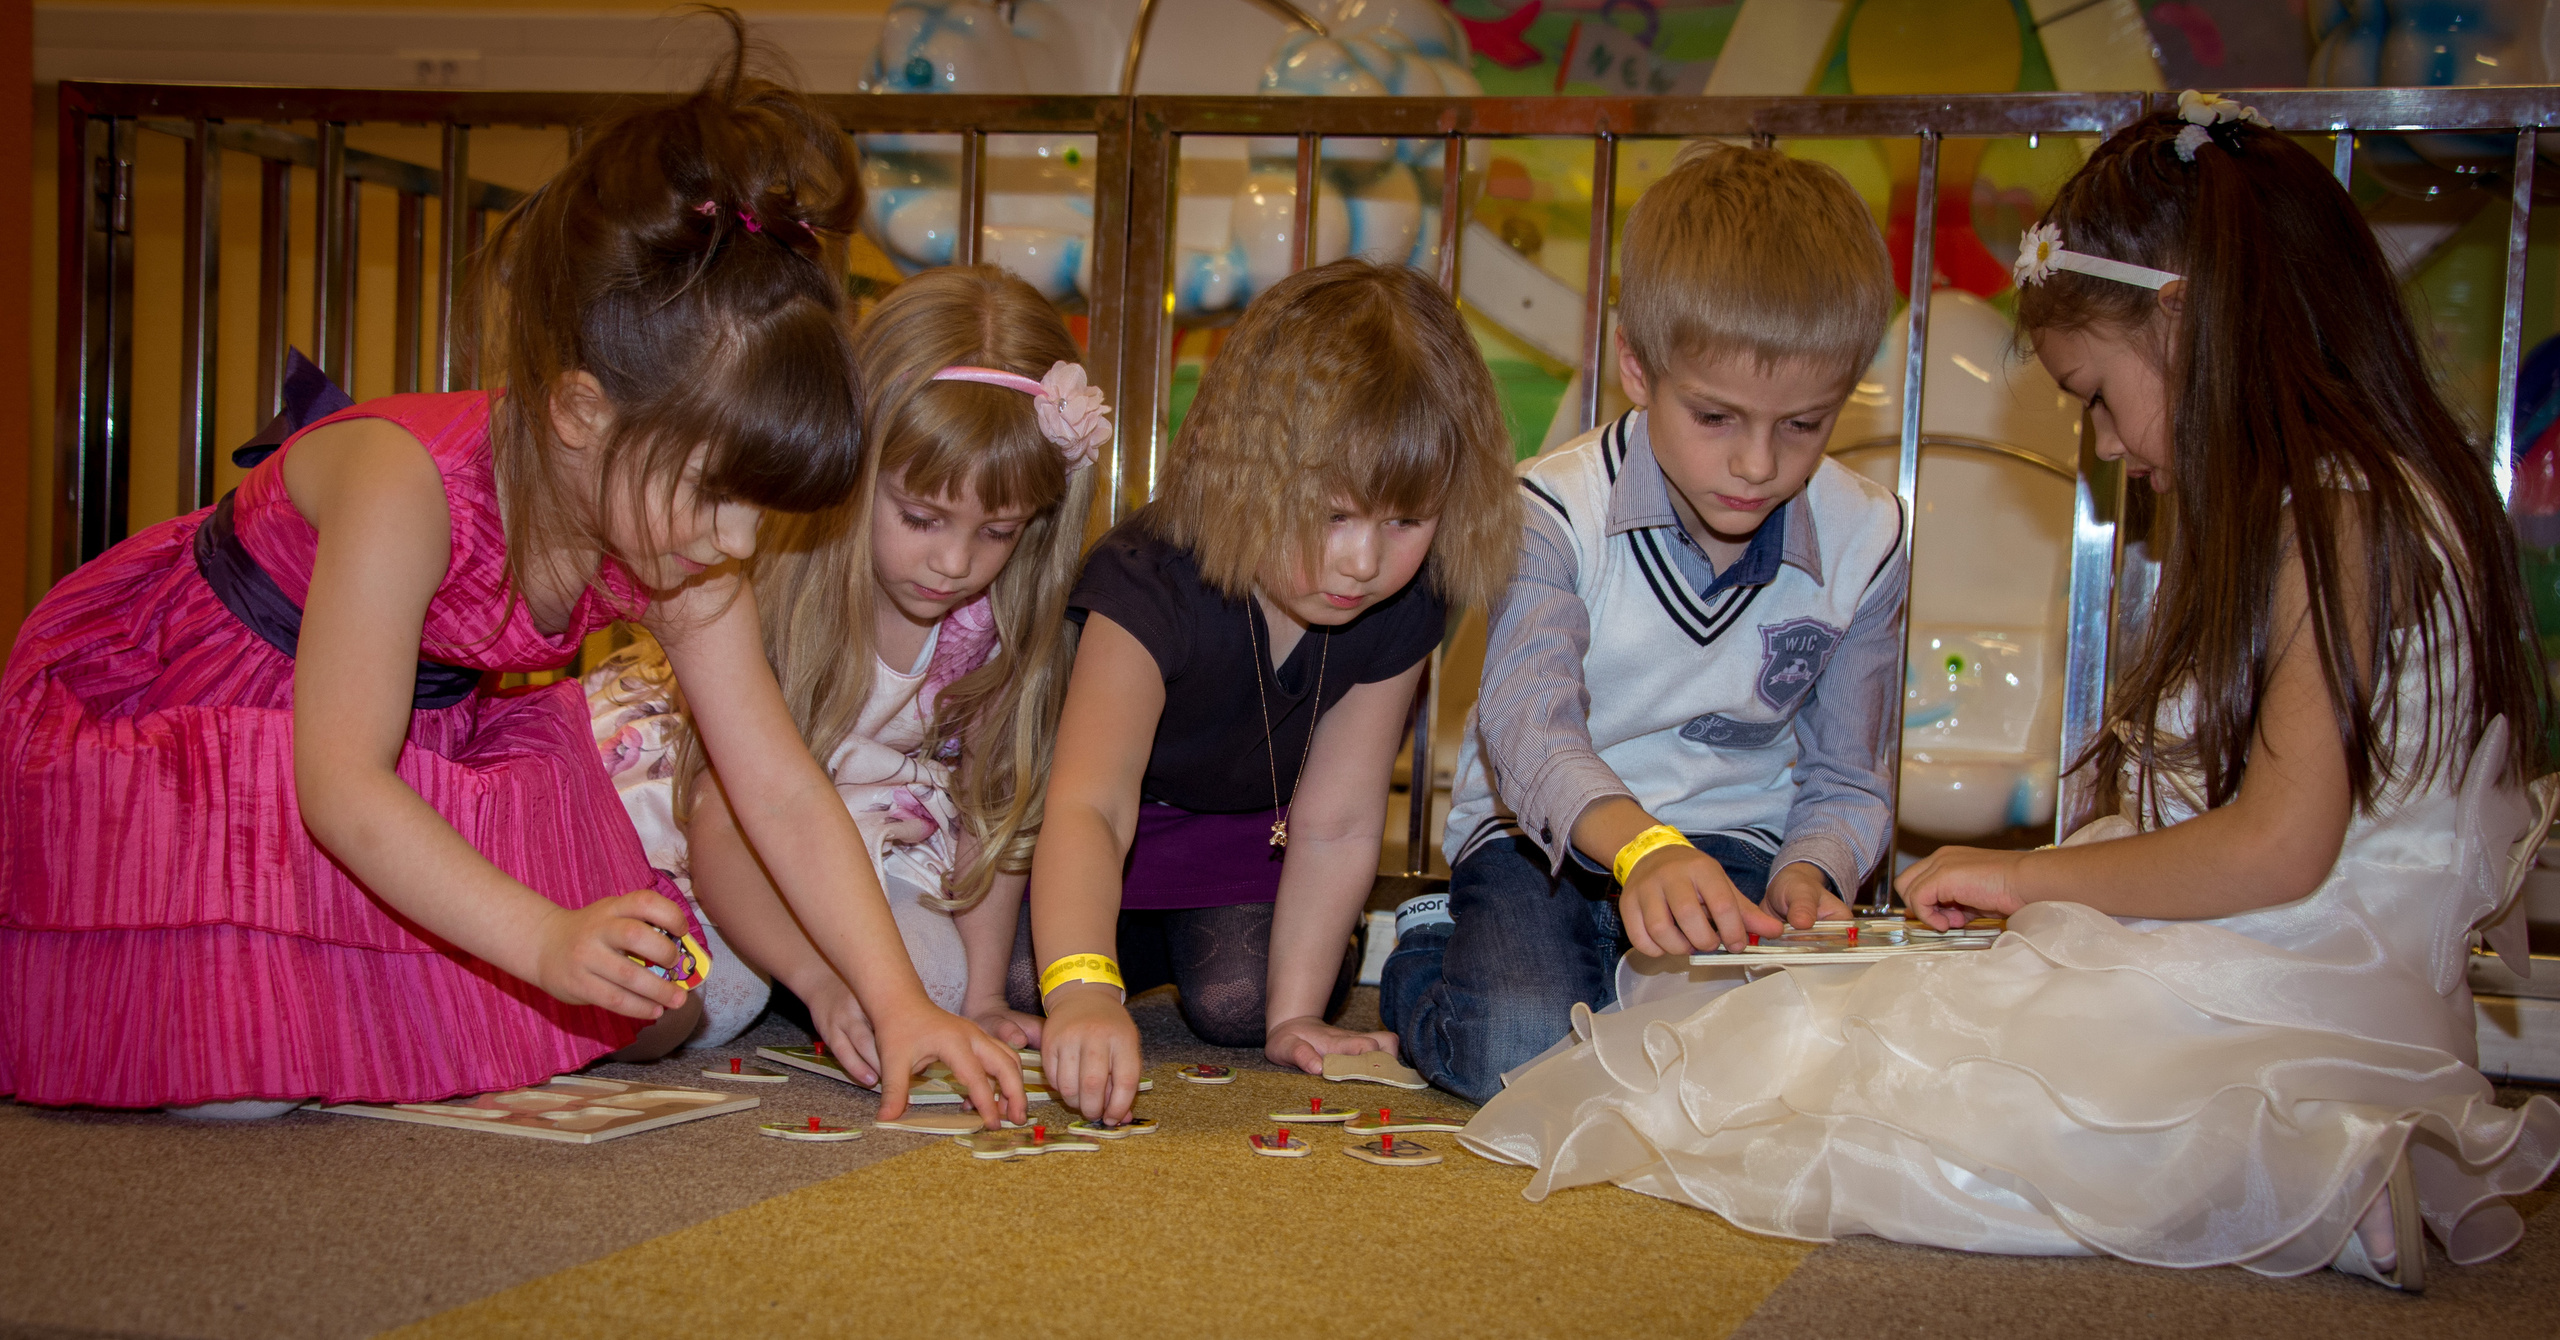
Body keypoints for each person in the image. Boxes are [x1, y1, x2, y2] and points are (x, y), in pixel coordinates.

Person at [1460, 94, 2560, 1291]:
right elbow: (1532, 724)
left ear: (2186, 331)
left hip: (2303, 968)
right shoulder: (2363, 499)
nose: (2096, 442)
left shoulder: (2335, 520)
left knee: (1890, 1087)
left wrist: (2027, 874)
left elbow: (2278, 849)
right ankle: (2303, 1167)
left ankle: (2310, 1170)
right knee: (1880, 1040)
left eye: (2092, 393)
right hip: (2339, 976)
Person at [0, 28, 1025, 1125]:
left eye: (758, 505)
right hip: (220, 717)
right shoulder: (403, 487)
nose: (735, 541)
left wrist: (897, 997)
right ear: (583, 411)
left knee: (644, 1013)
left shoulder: (675, 541)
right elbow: (341, 786)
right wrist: (540, 935)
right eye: (715, 492)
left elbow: (775, 782)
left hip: (424, 744)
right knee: (238, 1083)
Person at [1381, 141, 1906, 1102]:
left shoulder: (1869, 536)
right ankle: (1427, 945)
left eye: (1802, 425)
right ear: (1635, 364)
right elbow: (1529, 728)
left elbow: (1846, 772)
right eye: (1716, 417)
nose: (1757, 464)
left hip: (1733, 837)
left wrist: (1811, 871)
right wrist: (1641, 847)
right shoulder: (1550, 509)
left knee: (1752, 1068)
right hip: (1540, 839)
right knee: (1521, 1054)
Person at [1028, 259, 1518, 1123]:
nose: (1362, 563)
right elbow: (1091, 809)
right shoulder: (1149, 581)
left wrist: (1296, 1015)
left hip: (1253, 849)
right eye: (1332, 514)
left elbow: (1338, 818)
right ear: (1244, 471)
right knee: (1011, 990)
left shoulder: (1406, 600)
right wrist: (1081, 987)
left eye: (1404, 521)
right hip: (1100, 840)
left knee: (1241, 1008)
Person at [586, 265, 1100, 1076]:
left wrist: (984, 1000)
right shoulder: (773, 592)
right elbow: (743, 813)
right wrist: (823, 980)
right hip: (707, 817)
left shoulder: (1001, 624)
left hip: (868, 825)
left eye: (998, 531)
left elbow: (995, 811)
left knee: (937, 979)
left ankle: (796, 967)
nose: (955, 562)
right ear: (855, 468)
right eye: (921, 517)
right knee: (713, 1004)